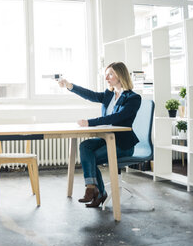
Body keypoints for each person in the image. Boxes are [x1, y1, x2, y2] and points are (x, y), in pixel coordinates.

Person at [58, 62, 141, 208]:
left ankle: (98, 192)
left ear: (120, 75)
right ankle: (92, 187)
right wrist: (70, 86)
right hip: (107, 139)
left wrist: (90, 122)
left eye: (110, 74)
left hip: (123, 144)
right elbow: (91, 95)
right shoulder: (109, 95)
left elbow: (117, 118)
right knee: (85, 146)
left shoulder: (133, 98)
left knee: (91, 158)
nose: (107, 78)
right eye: (106, 75)